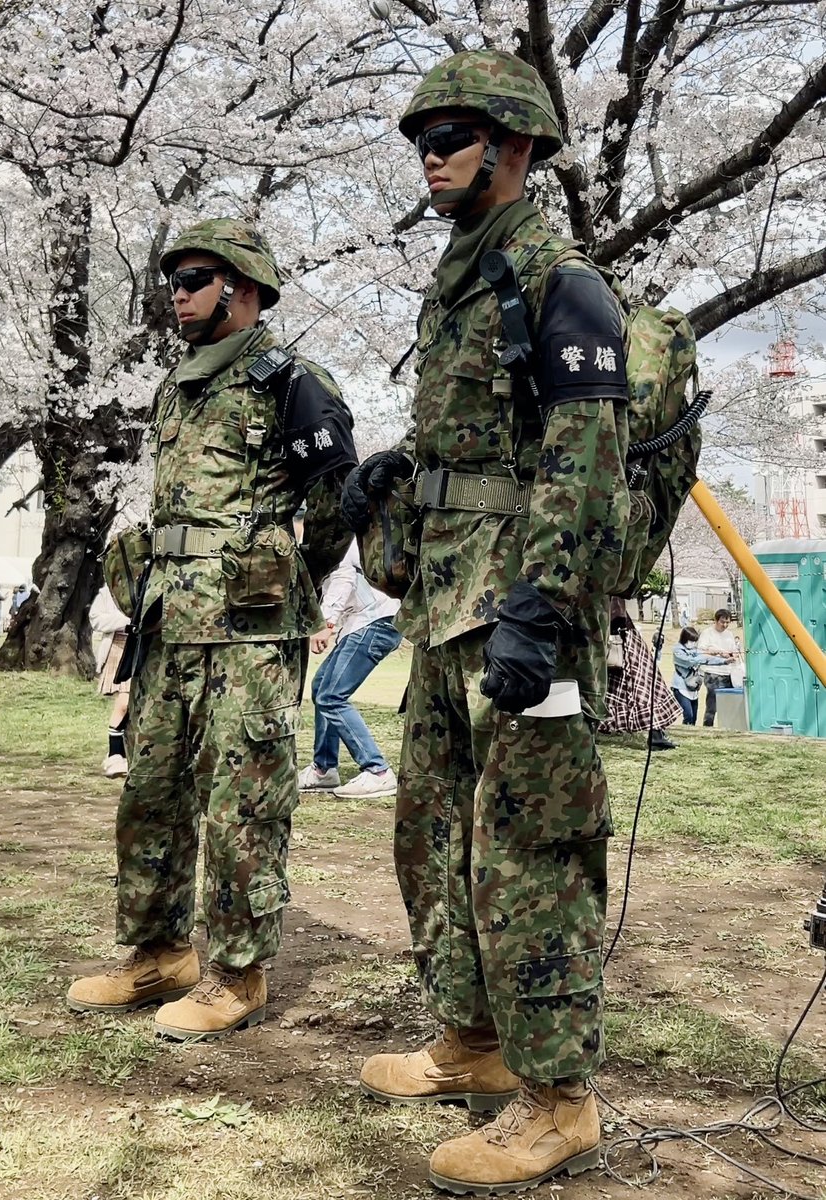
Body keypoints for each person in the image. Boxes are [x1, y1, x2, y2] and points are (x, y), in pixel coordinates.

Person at [342, 50, 632, 1196]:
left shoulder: (559, 279)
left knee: (530, 854)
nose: (433, 154)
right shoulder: (463, 279)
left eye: (454, 134)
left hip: (521, 616)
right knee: (430, 834)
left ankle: (560, 1100)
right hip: (446, 608)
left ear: (516, 149)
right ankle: (474, 1037)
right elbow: (484, 442)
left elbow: (585, 453)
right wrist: (402, 476)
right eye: (424, 137)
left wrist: (544, 607)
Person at [66, 218, 356, 1041]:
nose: (177, 295)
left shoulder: (293, 380)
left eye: (193, 279)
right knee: (151, 792)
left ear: (243, 287)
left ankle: (237, 971)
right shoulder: (178, 386)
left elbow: (335, 503)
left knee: (243, 802)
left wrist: (283, 576)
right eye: (174, 281)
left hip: (249, 634)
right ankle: (159, 952)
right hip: (170, 624)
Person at [298, 540, 402, 798]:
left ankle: (378, 772)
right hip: (366, 622)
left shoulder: (339, 541)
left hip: (375, 622)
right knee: (321, 687)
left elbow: (344, 577)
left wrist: (326, 622)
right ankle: (324, 769)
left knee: (331, 696)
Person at [600, 601, 680, 751]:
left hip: (613, 631)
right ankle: (655, 733)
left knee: (629, 685)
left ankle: (655, 731)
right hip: (616, 632)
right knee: (643, 682)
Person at [89, 586, 131, 779]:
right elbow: (96, 619)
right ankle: (115, 754)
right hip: (118, 647)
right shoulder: (107, 591)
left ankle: (125, 753)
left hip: (145, 649)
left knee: (136, 706)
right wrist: (126, 620)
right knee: (124, 703)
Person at [671, 625, 732, 726]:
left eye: (695, 640)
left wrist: (724, 661)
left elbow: (707, 659)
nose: (693, 643)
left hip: (693, 688)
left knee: (694, 718)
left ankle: (690, 738)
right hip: (681, 687)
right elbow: (690, 661)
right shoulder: (678, 650)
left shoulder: (694, 650)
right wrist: (706, 655)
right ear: (685, 639)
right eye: (691, 640)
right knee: (688, 716)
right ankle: (685, 735)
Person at [698, 608, 736, 727]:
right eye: (722, 622)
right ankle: (707, 728)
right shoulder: (707, 633)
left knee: (728, 705)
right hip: (713, 673)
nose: (725, 625)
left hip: (727, 673)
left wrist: (732, 656)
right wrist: (719, 652)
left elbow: (734, 651)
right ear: (716, 620)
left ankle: (727, 727)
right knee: (712, 706)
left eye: (727, 622)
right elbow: (701, 651)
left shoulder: (729, 634)